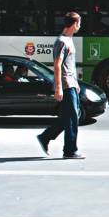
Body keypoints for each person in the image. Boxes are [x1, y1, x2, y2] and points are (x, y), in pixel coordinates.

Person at [37, 12, 85, 159]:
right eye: (79, 23)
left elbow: (69, 66)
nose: (80, 26)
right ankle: (70, 150)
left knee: (71, 116)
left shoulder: (68, 40)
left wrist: (75, 83)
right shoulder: (62, 41)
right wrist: (58, 87)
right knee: (72, 118)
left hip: (71, 84)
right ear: (74, 24)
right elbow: (57, 65)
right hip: (65, 85)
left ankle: (45, 137)